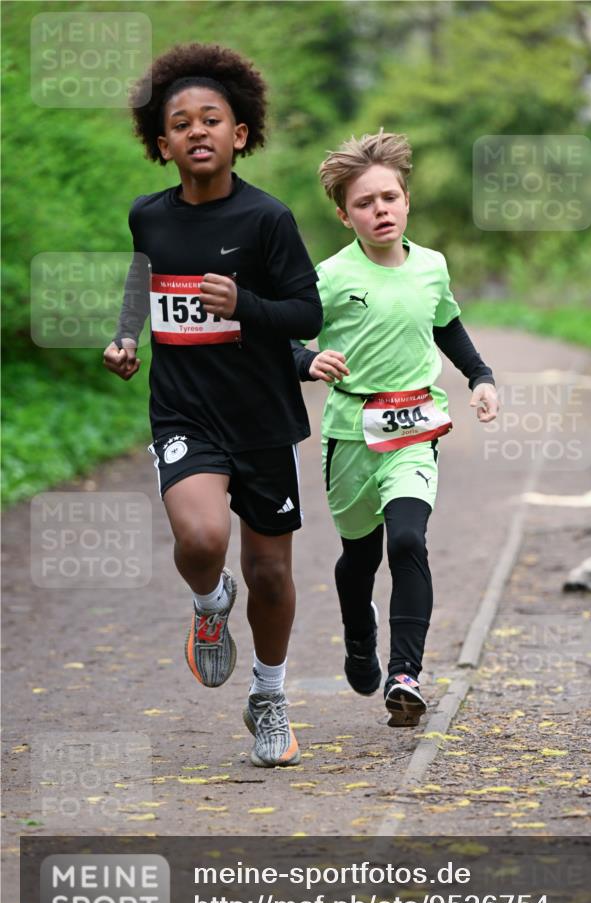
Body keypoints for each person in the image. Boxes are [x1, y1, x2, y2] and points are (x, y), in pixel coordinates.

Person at [103, 43, 322, 767]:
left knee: (270, 574)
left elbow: (305, 312)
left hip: (263, 418)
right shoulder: (149, 216)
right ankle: (207, 605)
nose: (197, 131)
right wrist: (126, 335)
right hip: (184, 413)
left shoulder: (267, 219)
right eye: (181, 123)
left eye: (212, 119)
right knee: (200, 542)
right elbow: (143, 280)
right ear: (160, 143)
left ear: (240, 134)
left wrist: (246, 304)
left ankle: (269, 696)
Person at [292, 131, 498, 726]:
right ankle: (361, 635)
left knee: (408, 541)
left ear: (406, 200)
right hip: (351, 431)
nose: (379, 209)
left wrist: (480, 376)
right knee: (360, 557)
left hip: (414, 426)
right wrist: (307, 360)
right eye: (364, 202)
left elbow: (447, 326)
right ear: (343, 214)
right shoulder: (327, 277)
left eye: (389, 197)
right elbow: (285, 338)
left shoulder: (431, 266)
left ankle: (404, 674)